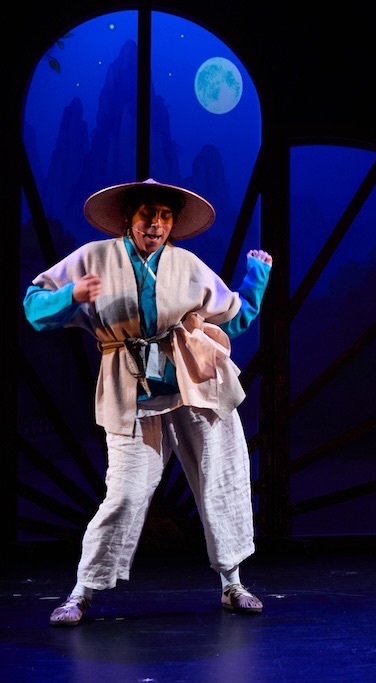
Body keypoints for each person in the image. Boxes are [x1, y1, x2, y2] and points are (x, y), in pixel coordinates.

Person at [23, 178, 273, 627]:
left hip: (195, 384)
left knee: (220, 477)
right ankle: (82, 591)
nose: (156, 223)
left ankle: (232, 582)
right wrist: (70, 295)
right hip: (130, 390)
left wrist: (257, 278)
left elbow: (233, 318)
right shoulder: (94, 257)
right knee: (124, 492)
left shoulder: (185, 264)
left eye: (165, 216)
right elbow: (34, 306)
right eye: (147, 214)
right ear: (128, 217)